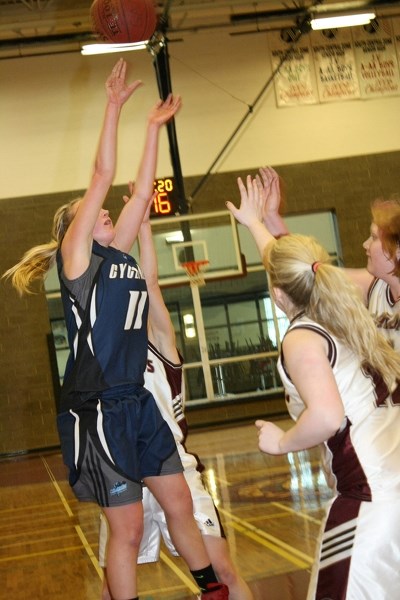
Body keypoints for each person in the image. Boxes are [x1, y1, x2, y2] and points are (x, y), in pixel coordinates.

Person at [2, 59, 227, 600]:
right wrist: (113, 106)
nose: (106, 213)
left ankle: (212, 592)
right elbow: (103, 176)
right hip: (97, 407)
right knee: (125, 531)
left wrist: (151, 128)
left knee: (178, 505)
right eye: (95, 212)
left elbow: (142, 193)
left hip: (137, 403)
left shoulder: (118, 251)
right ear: (76, 229)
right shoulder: (78, 259)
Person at [226, 174, 400, 599]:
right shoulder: (365, 295)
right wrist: (264, 221)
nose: (364, 244)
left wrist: (284, 441)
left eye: (374, 237)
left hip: (375, 481)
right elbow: (306, 274)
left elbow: (298, 278)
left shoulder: (307, 334)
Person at [98, 197, 253, 600]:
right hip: (126, 474)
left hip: (175, 468)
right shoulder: (104, 352)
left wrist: (145, 226)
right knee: (113, 586)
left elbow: (149, 282)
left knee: (222, 570)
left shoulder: (158, 341)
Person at [256, 166, 400, 351]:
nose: (365, 244)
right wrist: (269, 216)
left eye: (373, 237)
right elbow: (308, 269)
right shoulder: (376, 286)